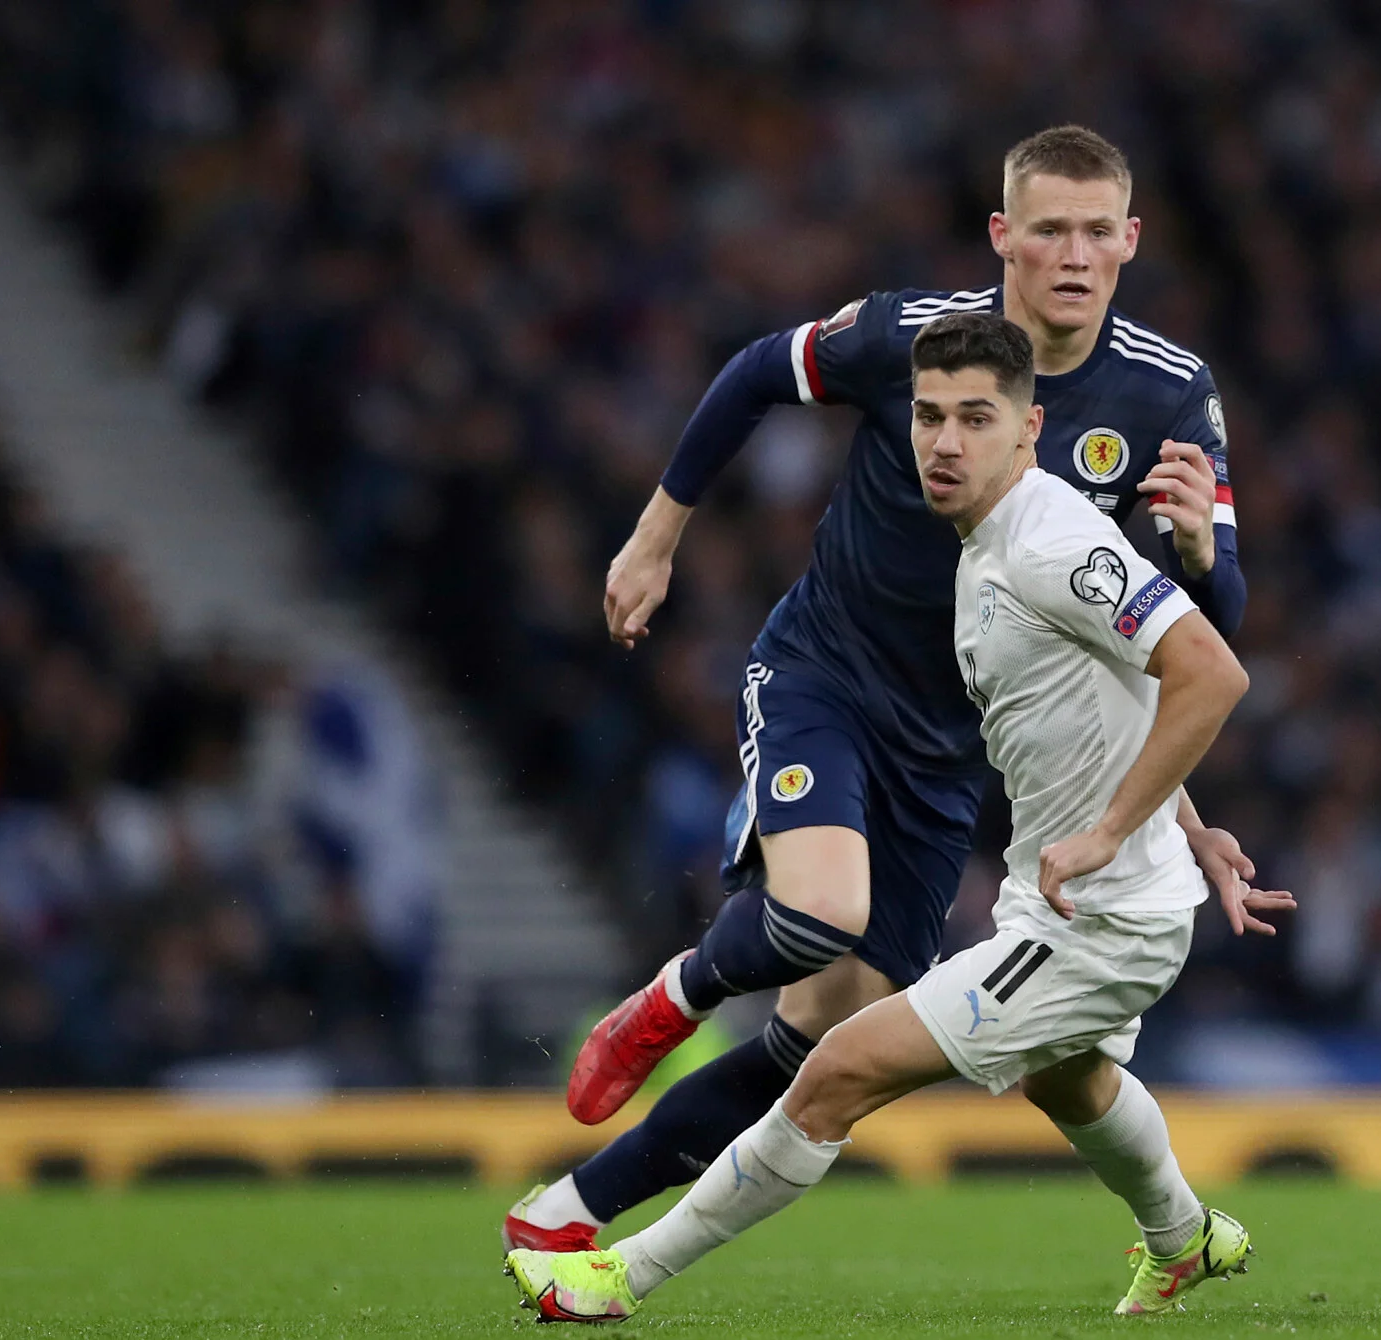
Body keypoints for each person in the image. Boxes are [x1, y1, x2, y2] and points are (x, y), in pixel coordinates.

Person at [503, 126, 1284, 1252]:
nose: (1072, 254)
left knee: (822, 1033)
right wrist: (653, 537)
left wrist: (1203, 573)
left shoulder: (1169, 394)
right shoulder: (912, 338)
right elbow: (754, 373)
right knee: (822, 916)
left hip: (958, 744)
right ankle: (676, 994)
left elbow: (1197, 639)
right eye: (1048, 229)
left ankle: (567, 1215)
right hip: (827, 672)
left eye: (1095, 232)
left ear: (1130, 241)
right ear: (1001, 236)